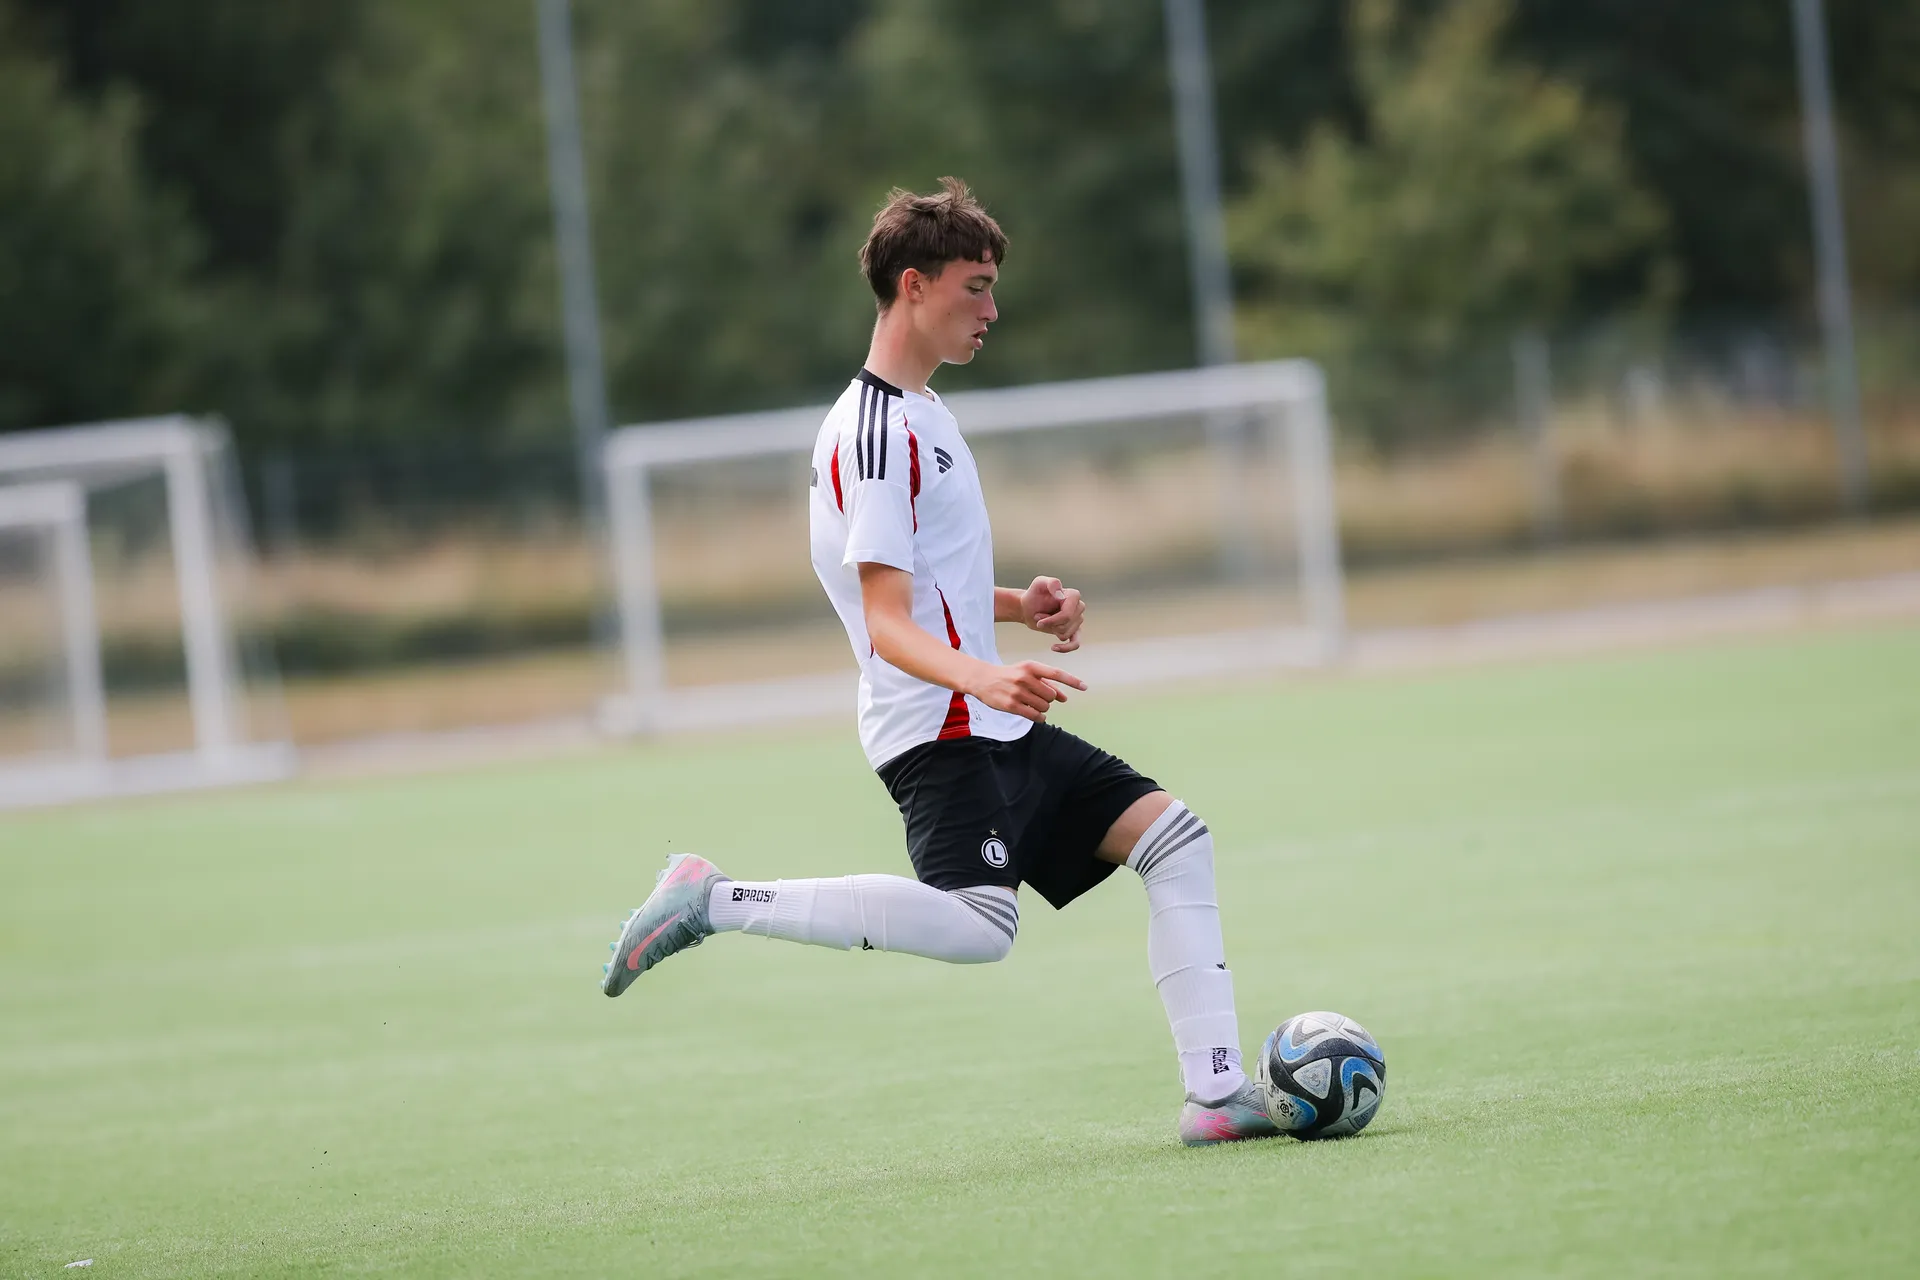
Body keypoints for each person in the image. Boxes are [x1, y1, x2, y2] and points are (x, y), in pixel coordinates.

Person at [602, 177, 1276, 1146]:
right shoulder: (873, 434)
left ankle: (1214, 1094)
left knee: (1176, 837)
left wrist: (1017, 610)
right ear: (913, 286)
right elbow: (885, 622)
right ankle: (710, 897)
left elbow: (926, 585)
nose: (992, 310)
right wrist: (985, 673)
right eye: (977, 286)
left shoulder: (924, 413)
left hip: (987, 713)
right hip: (942, 728)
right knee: (977, 927)